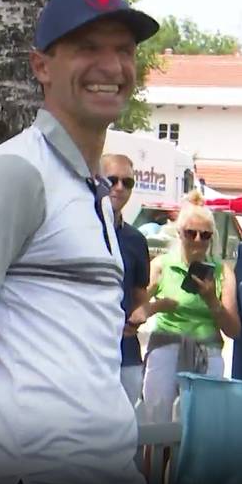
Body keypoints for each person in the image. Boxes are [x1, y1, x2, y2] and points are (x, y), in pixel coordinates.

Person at [0, 0, 160, 484]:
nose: (112, 66)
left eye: (123, 49)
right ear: (41, 66)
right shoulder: (15, 174)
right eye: (87, 48)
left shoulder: (92, 189)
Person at [130, 192, 241, 414]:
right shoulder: (162, 266)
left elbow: (234, 331)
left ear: (212, 238)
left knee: (202, 427)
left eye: (205, 235)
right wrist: (158, 306)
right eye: (191, 233)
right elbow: (135, 315)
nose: (198, 240)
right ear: (179, 234)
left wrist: (211, 301)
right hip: (166, 349)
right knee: (157, 421)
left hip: (207, 353)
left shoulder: (222, 273)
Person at [101, 153, 152, 405]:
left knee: (125, 434)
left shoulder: (135, 239)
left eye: (128, 182)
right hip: (87, 356)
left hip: (127, 355)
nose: (119, 187)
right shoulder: (79, 231)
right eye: (112, 180)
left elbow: (140, 293)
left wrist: (139, 316)